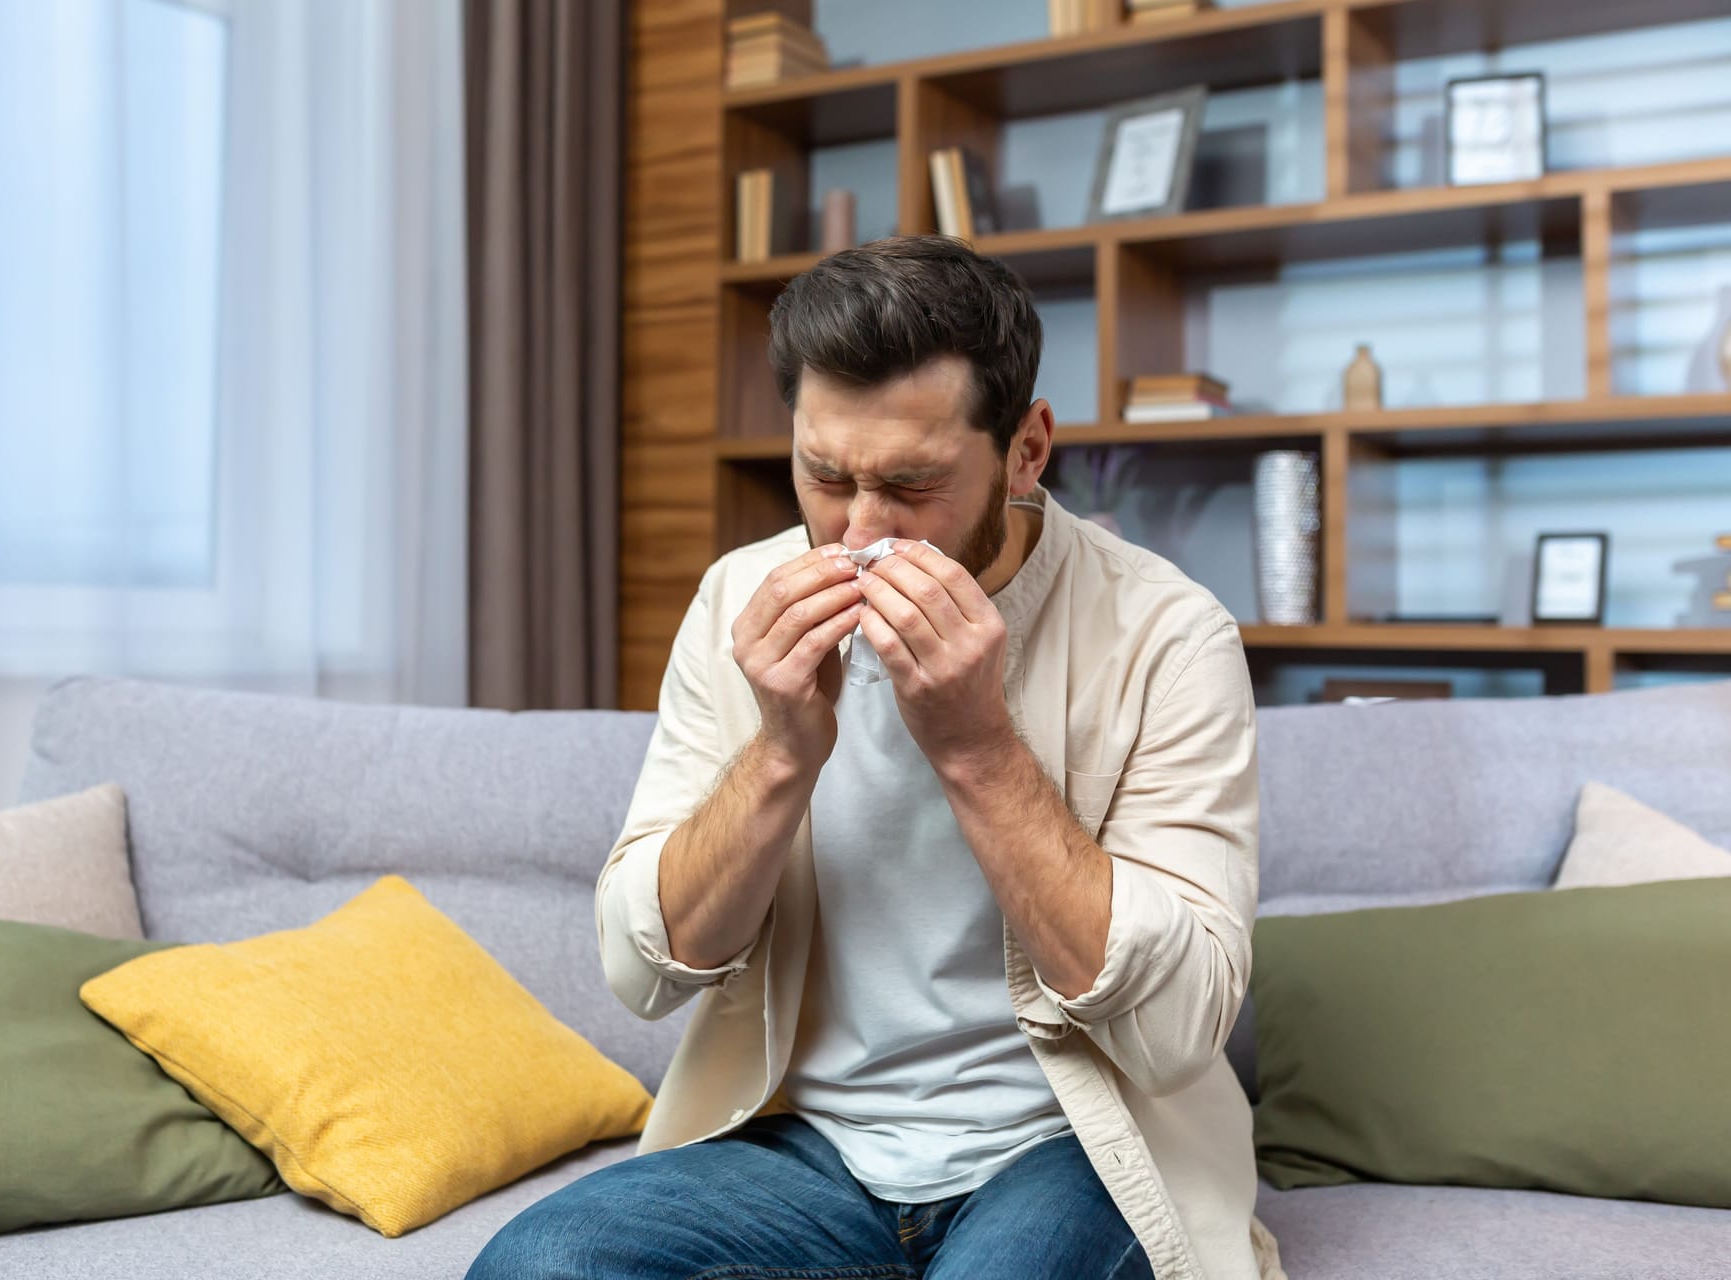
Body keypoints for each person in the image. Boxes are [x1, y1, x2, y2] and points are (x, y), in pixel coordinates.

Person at [470, 236, 1275, 1279]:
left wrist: (981, 748)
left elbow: (1177, 1030)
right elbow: (641, 971)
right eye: (824, 475)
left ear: (1027, 449)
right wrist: (778, 756)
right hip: (809, 1147)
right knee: (540, 1263)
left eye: (912, 483)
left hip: (1070, 1143)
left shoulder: (1169, 635)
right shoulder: (735, 601)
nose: (857, 532)